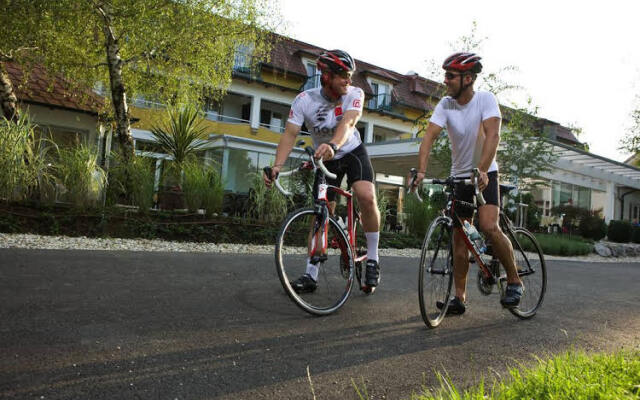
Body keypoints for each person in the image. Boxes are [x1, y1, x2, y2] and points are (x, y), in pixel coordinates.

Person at [411, 52, 523, 314]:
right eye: (446, 75)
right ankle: (459, 298)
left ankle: (515, 281)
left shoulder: (485, 99)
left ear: (468, 78)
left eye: (451, 76)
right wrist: (421, 171)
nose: (446, 80)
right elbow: (428, 138)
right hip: (460, 177)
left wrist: (482, 170)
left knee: (489, 226)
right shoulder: (446, 105)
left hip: (486, 174)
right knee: (459, 245)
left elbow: (493, 135)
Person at [263, 49, 381, 293]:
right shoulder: (304, 100)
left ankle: (373, 258)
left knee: (366, 196)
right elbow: (290, 135)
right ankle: (310, 274)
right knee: (321, 213)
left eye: (350, 75)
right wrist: (276, 167)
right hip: (324, 159)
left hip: (351, 151)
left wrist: (334, 145)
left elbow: (348, 122)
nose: (348, 80)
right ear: (325, 75)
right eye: (343, 76)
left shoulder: (355, 93)